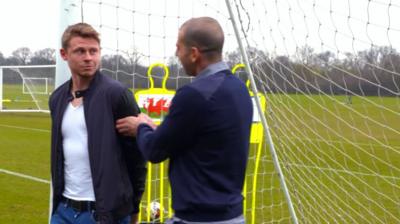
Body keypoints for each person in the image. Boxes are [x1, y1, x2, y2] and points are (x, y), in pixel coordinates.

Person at [116, 17, 253, 223]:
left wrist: (141, 126)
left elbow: (154, 150)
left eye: (178, 48)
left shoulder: (194, 94)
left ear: (194, 53)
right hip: (233, 215)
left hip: (199, 218)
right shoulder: (239, 89)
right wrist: (158, 130)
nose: (176, 54)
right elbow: (199, 134)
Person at [49, 23, 146, 224]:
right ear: (64, 54)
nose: (88, 57)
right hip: (63, 211)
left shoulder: (117, 95)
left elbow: (136, 158)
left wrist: (134, 208)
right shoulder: (57, 98)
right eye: (80, 51)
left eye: (94, 51)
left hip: (102, 214)